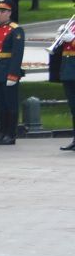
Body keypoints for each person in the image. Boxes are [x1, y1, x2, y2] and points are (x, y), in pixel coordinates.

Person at [0, 0, 25, 146]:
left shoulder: (16, 30)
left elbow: (17, 55)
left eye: (3, 11)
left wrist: (13, 74)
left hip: (8, 71)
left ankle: (11, 134)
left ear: (9, 13)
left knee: (11, 104)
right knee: (1, 104)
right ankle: (2, 133)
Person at [53, 10, 75, 151]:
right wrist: (60, 36)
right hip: (69, 71)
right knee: (73, 108)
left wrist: (72, 40)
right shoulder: (72, 23)